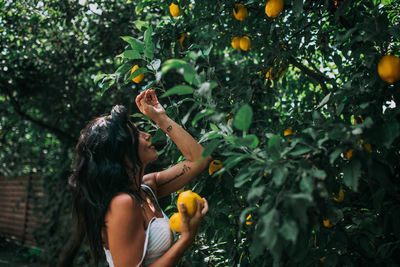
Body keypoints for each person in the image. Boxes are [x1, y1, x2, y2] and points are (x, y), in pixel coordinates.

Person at [70, 89, 211, 267]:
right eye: (137, 134)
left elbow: (200, 159)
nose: (147, 135)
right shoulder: (122, 203)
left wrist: (161, 118)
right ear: (121, 152)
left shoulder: (146, 188)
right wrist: (187, 239)